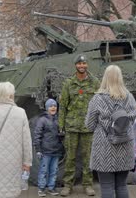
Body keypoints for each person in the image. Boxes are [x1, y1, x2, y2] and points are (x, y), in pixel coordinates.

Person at [85, 65, 136, 198]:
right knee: (121, 185)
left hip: (104, 149)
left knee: (107, 187)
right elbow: (133, 119)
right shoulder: (130, 97)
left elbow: (89, 125)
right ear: (120, 78)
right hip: (125, 147)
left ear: (105, 78)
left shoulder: (98, 99)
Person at [59, 54, 100, 197]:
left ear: (87, 65)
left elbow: (99, 104)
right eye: (79, 64)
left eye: (84, 63)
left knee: (88, 157)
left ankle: (88, 185)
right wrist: (61, 125)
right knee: (70, 157)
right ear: (75, 65)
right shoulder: (69, 83)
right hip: (72, 126)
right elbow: (63, 105)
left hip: (88, 127)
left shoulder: (95, 82)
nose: (82, 66)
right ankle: (68, 185)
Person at [34, 99, 64, 197]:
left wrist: (62, 135)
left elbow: (61, 133)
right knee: (44, 170)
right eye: (51, 106)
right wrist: (38, 149)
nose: (53, 108)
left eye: (55, 106)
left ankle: (51, 187)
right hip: (45, 151)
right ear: (47, 108)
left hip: (56, 150)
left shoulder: (59, 119)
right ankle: (41, 188)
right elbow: (37, 135)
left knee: (54, 171)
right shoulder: (42, 120)